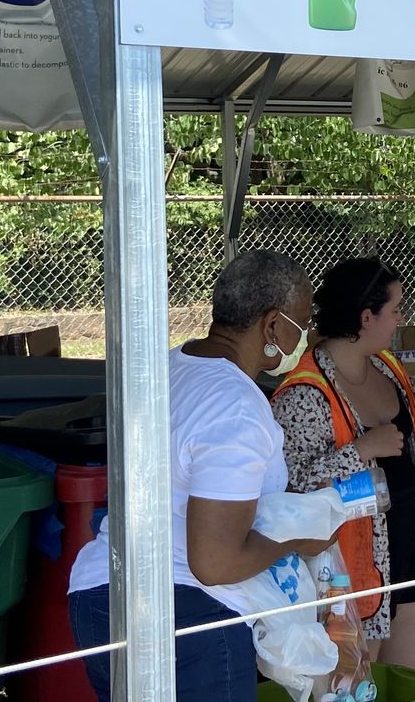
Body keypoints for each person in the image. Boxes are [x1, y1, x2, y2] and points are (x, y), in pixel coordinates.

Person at [66, 250, 336, 700]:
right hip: (188, 618)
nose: (305, 337)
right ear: (272, 326)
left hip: (102, 598)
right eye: (302, 324)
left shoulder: (165, 370)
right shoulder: (235, 406)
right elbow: (215, 563)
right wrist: (298, 536)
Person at [272, 258, 415, 672]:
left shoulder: (387, 367)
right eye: (395, 309)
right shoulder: (304, 394)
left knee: (407, 682)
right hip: (350, 573)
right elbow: (291, 492)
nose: (401, 319)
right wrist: (358, 450)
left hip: (414, 555)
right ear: (366, 317)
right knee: (353, 687)